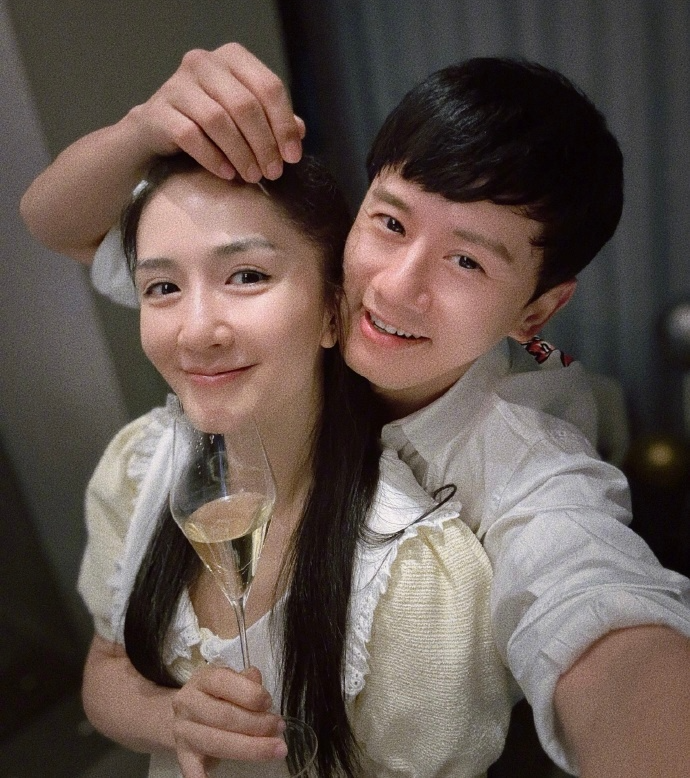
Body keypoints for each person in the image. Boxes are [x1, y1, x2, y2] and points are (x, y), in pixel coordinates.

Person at [21, 44, 690, 777]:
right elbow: (53, 223)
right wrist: (147, 126)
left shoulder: (516, 456)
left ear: (536, 310)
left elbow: (593, 603)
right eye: (392, 223)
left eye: (467, 261)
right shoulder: (298, 280)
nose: (394, 288)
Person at [73, 152, 512, 778]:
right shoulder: (139, 468)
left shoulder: (412, 574)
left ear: (333, 312)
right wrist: (173, 718)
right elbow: (106, 668)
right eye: (163, 288)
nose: (195, 332)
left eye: (246, 276)